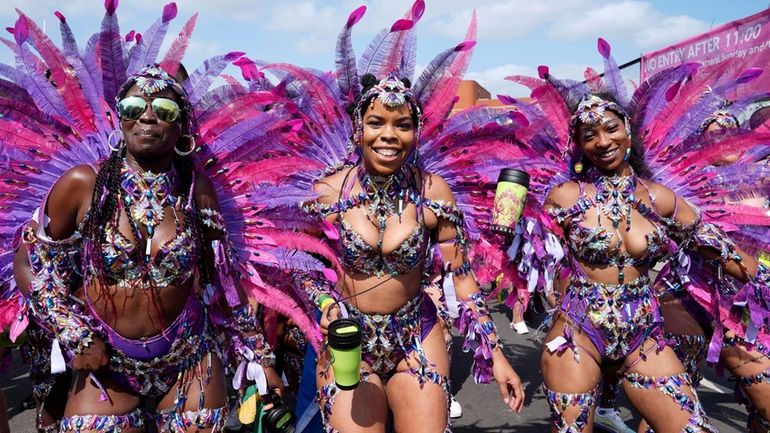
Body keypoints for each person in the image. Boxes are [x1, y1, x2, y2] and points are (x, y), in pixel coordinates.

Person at [257, 3, 525, 431]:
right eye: (376, 122)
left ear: (415, 132)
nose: (389, 135)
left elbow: (463, 277)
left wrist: (496, 354)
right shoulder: (328, 190)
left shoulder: (433, 190)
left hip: (416, 335)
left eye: (402, 124)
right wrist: (325, 304)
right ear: (358, 129)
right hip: (348, 339)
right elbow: (301, 266)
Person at [501, 39, 770, 433]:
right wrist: (509, 225)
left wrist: (757, 279)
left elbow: (714, 244)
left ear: (628, 132)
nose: (602, 141)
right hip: (578, 332)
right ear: (579, 146)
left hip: (643, 333)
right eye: (589, 134)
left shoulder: (659, 197)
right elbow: (518, 247)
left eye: (610, 128)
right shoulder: (566, 197)